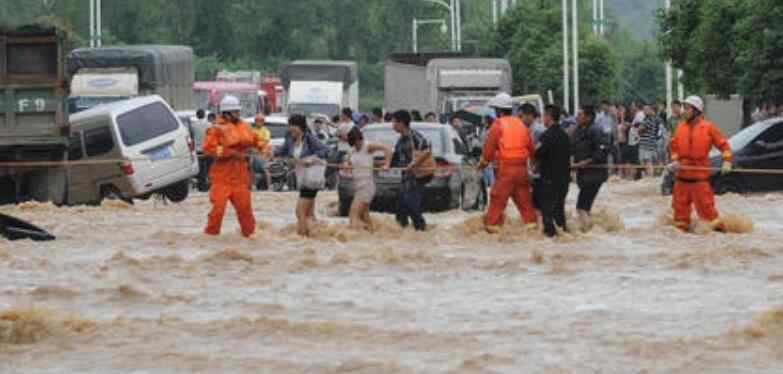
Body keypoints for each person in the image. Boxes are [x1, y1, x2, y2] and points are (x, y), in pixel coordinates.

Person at [203, 96, 268, 238]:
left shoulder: (244, 126)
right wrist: (229, 153)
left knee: (245, 211)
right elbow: (209, 149)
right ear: (226, 113)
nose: (239, 114)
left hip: (240, 177)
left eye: (238, 111)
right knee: (218, 211)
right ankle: (210, 239)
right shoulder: (215, 129)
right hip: (221, 177)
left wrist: (264, 149)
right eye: (236, 112)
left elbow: (256, 140)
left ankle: (249, 238)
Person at [667, 96, 732, 233]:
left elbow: (724, 145)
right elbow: (674, 147)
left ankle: (721, 236)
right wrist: (675, 161)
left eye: (687, 108)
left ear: (696, 111)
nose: (684, 111)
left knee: (709, 214)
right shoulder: (680, 127)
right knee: (679, 216)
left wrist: (727, 161)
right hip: (681, 180)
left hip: (699, 180)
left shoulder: (708, 128)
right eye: (684, 108)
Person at [478, 93, 538, 234]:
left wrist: (481, 165)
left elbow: (488, 151)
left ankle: (492, 231)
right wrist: (534, 165)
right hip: (522, 170)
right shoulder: (521, 125)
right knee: (524, 200)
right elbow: (531, 149)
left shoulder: (497, 125)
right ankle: (533, 228)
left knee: (497, 199)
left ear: (498, 111)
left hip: (506, 170)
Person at [274, 114, 329, 236]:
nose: (291, 128)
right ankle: (316, 235)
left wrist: (312, 158)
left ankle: (302, 238)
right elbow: (281, 151)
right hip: (303, 180)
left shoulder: (309, 139)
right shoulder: (289, 138)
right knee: (309, 214)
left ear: (301, 127)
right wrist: (270, 152)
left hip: (312, 180)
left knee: (300, 212)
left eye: (293, 126)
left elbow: (325, 150)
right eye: (290, 126)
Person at [390, 110, 431, 231]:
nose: (392, 125)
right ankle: (405, 237)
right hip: (405, 181)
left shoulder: (415, 137)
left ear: (401, 123)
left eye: (394, 122)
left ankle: (422, 234)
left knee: (413, 209)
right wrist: (383, 164)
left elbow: (427, 151)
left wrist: (414, 163)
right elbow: (395, 160)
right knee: (400, 212)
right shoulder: (400, 140)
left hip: (416, 180)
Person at [571, 105, 610, 232]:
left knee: (581, 207)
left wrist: (584, 163)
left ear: (588, 117)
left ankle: (588, 233)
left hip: (594, 174)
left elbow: (602, 151)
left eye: (580, 114)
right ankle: (590, 231)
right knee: (585, 207)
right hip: (583, 175)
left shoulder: (596, 130)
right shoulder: (577, 130)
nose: (577, 117)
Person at [534, 105, 572, 237]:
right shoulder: (565, 136)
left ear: (549, 117)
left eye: (544, 116)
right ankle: (564, 237)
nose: (543, 119)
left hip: (549, 180)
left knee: (547, 213)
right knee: (559, 211)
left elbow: (537, 154)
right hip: (564, 180)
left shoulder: (547, 135)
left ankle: (551, 239)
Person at [346, 127, 392, 231]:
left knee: (353, 216)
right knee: (364, 216)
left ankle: (357, 238)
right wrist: (346, 165)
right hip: (358, 187)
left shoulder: (368, 146)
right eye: (355, 143)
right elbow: (349, 163)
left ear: (360, 139)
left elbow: (387, 149)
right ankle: (372, 235)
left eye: (359, 141)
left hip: (366, 187)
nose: (357, 144)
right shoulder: (352, 151)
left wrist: (387, 164)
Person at [191, 109, 212, 192]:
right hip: (208, 150)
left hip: (198, 150)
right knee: (210, 169)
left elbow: (192, 136)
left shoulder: (193, 125)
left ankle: (202, 187)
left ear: (197, 116)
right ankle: (211, 185)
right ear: (204, 115)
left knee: (201, 170)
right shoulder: (209, 125)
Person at [250, 114, 272, 190]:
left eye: (260, 121)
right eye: (257, 121)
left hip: (263, 153)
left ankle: (269, 186)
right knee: (251, 168)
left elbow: (266, 141)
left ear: (263, 122)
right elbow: (250, 141)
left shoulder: (266, 131)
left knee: (266, 169)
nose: (259, 122)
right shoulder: (252, 130)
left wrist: (257, 144)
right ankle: (253, 185)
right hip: (254, 153)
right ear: (255, 122)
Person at [639, 105, 661, 177]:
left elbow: (640, 129)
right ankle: (648, 176)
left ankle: (650, 177)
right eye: (644, 109)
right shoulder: (647, 119)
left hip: (647, 144)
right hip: (646, 143)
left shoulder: (649, 119)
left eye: (646, 109)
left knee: (647, 161)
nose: (644, 111)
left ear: (651, 110)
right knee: (645, 162)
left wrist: (640, 128)